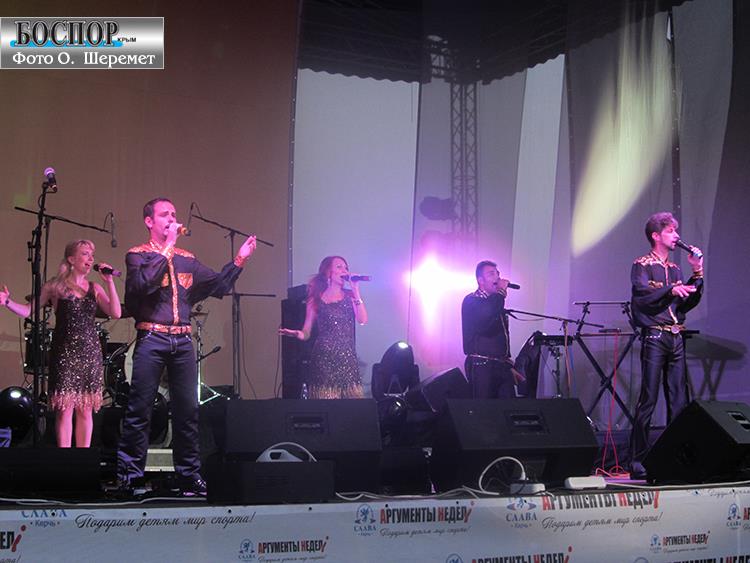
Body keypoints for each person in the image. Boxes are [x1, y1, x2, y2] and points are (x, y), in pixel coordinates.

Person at [116, 198, 257, 495]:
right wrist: (168, 245)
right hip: (151, 337)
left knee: (188, 411)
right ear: (149, 221)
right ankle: (130, 477)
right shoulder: (137, 255)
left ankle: (189, 477)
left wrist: (240, 260)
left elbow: (218, 286)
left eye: (173, 214)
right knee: (140, 409)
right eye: (164, 214)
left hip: (181, 340)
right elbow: (142, 286)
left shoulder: (187, 259)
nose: (171, 218)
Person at [1, 239, 121, 447]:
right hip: (65, 353)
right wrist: (7, 302)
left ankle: (82, 459)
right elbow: (28, 310)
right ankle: (65, 458)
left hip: (89, 353)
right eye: (85, 254)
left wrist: (109, 282)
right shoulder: (55, 286)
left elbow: (116, 312)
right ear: (71, 259)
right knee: (65, 409)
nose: (90, 258)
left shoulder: (94, 287)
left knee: (85, 409)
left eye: (92, 254)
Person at [629, 211, 704, 479]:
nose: (676, 235)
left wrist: (696, 272)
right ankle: (638, 460)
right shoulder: (641, 264)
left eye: (676, 230)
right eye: (671, 231)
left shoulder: (675, 269)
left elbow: (686, 302)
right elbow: (642, 295)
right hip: (654, 337)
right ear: (656, 235)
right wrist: (670, 290)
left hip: (675, 336)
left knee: (678, 400)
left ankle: (676, 458)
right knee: (648, 399)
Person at [279, 256, 367, 399]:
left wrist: (355, 290)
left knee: (352, 406)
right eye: (339, 267)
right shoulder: (315, 299)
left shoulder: (350, 295)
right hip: (324, 358)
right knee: (327, 405)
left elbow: (362, 319)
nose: (344, 271)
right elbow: (306, 331)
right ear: (328, 272)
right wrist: (297, 334)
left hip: (347, 359)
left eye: (346, 268)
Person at [461, 260, 519, 399]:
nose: (497, 277)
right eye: (491, 274)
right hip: (482, 365)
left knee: (508, 407)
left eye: (497, 273)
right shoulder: (472, 300)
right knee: (484, 409)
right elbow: (486, 319)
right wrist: (501, 292)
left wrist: (508, 362)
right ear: (480, 280)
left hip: (501, 365)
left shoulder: (494, 302)